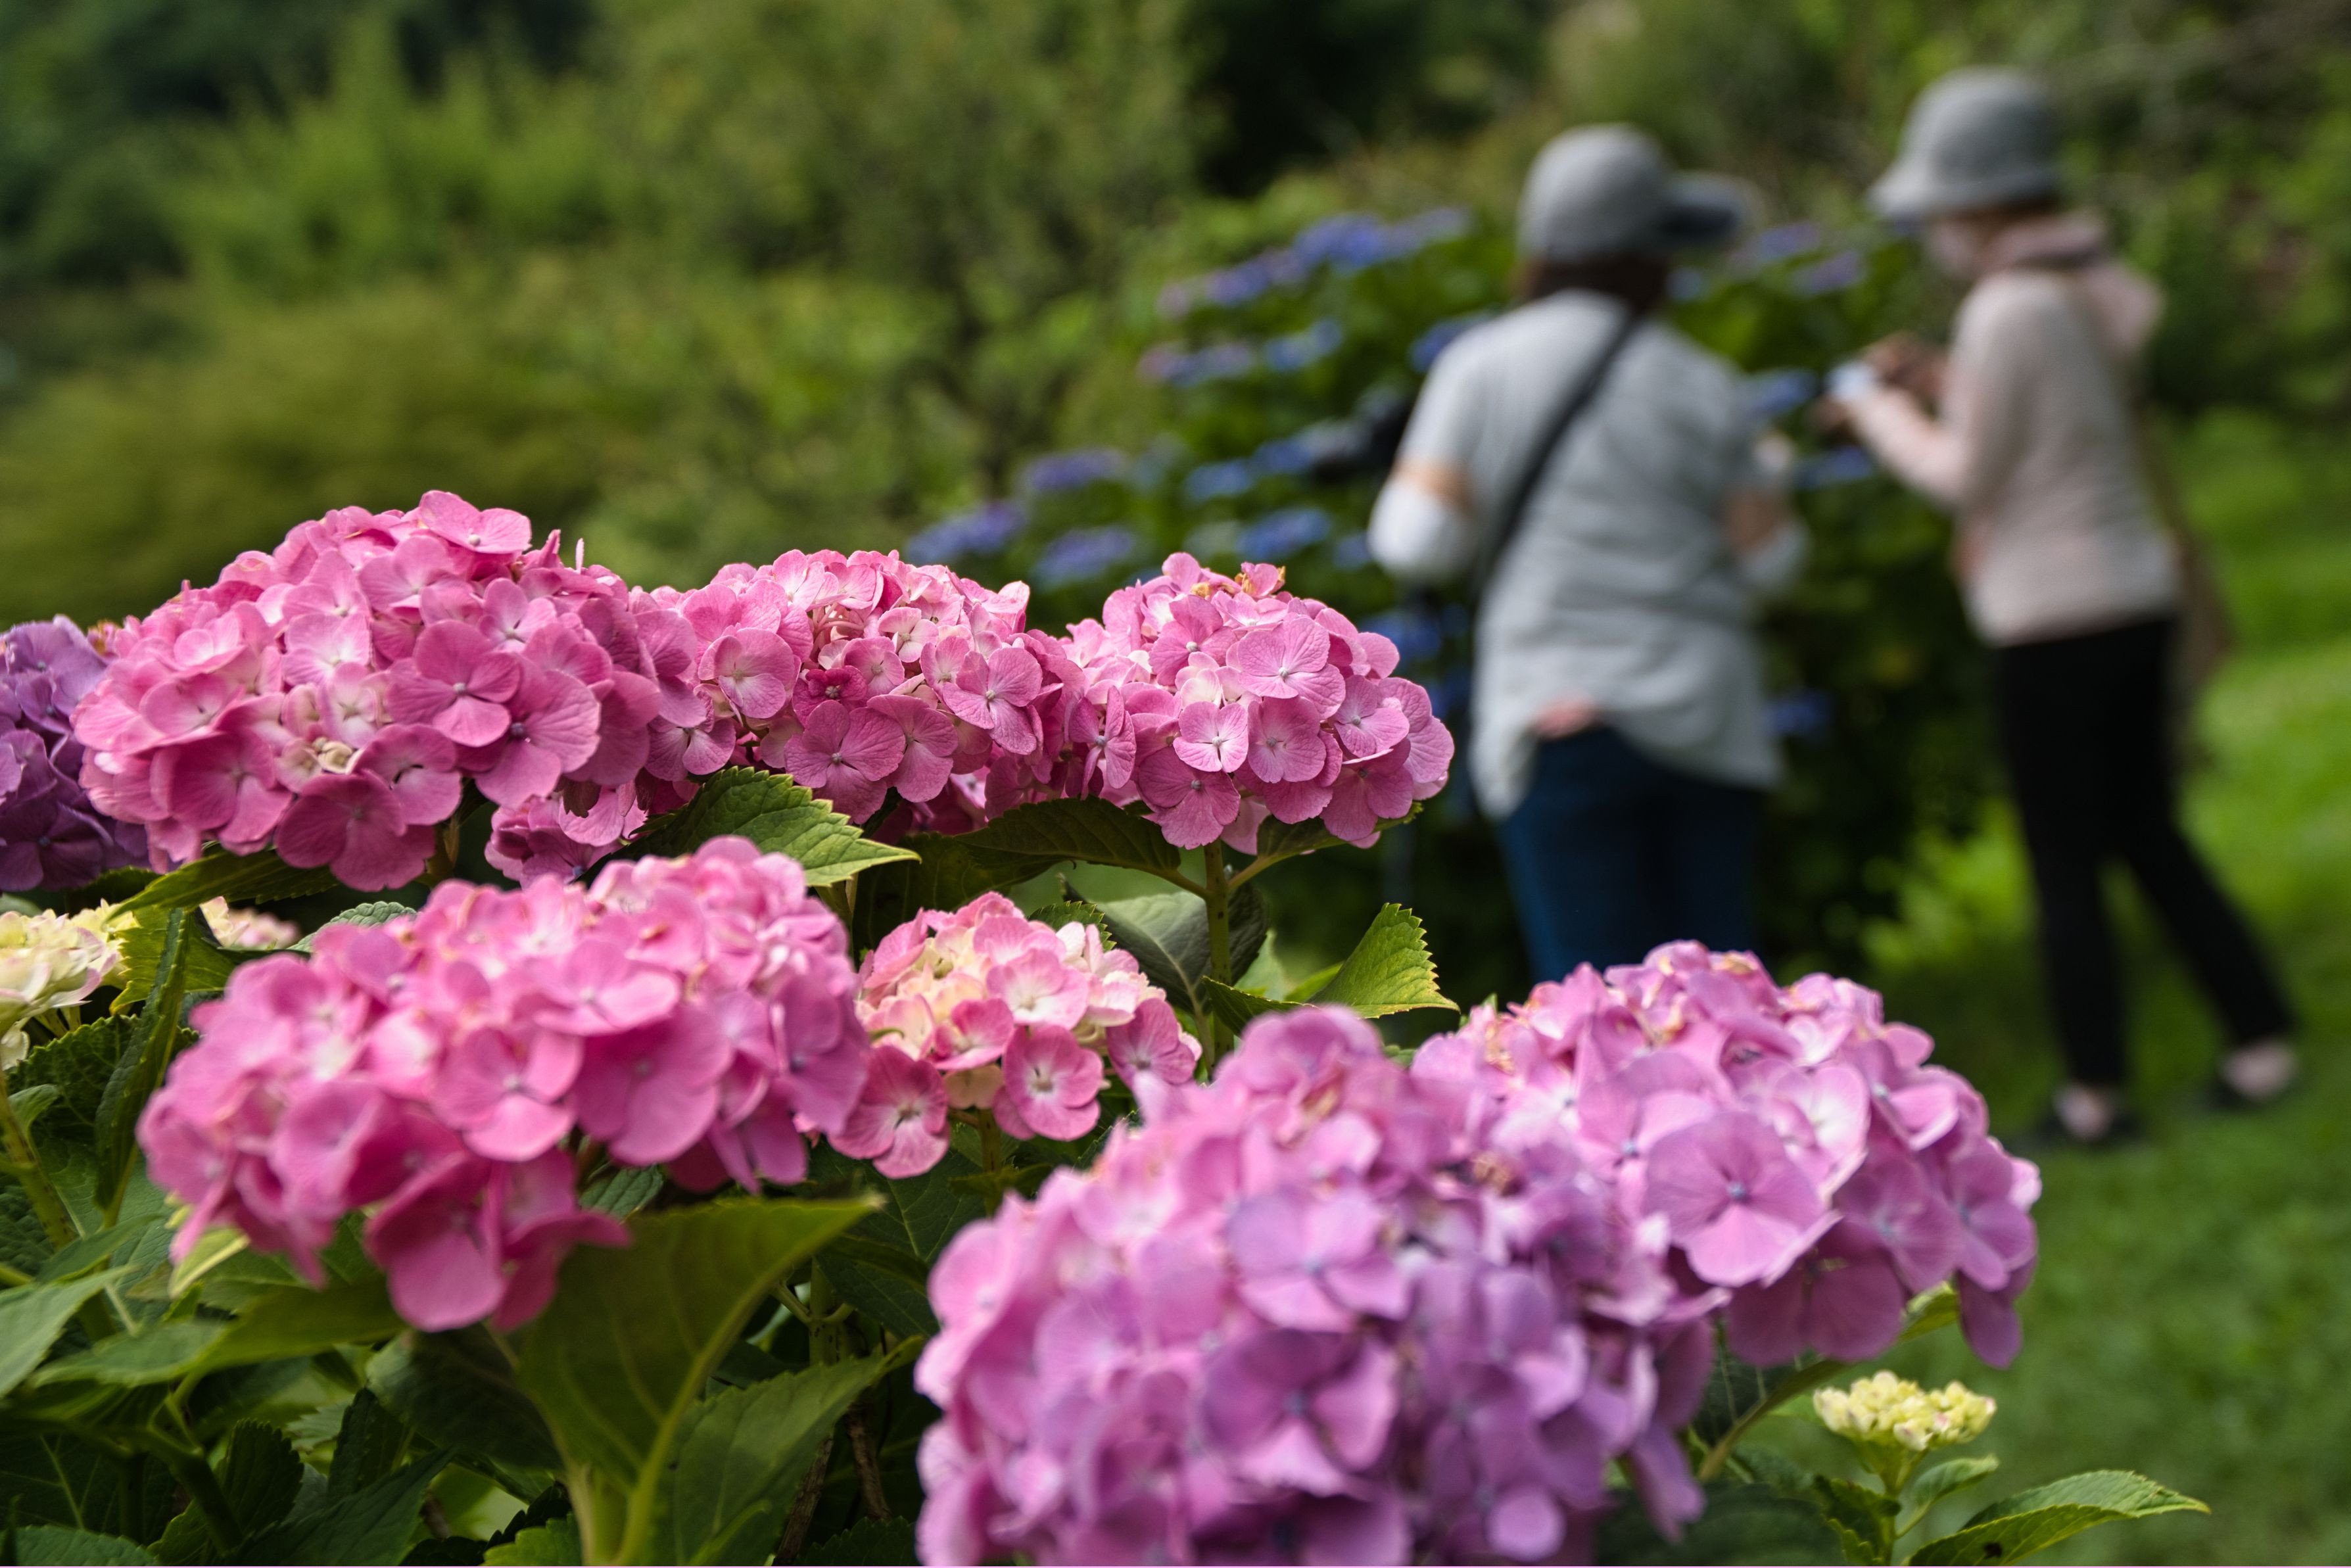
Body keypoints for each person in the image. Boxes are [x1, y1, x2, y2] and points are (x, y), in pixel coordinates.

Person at [1831, 68, 2298, 1145]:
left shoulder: (2007, 306)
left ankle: (2095, 1094)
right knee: (2149, 833)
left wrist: (1872, 412)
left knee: (2065, 863)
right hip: (2132, 597)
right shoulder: (2079, 287)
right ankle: (2261, 1037)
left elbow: (1965, 475)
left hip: (2052, 618)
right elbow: (2048, 420)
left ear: (1978, 204)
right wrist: (1941, 380)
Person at [1369, 126, 1808, 982]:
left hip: (1562, 717)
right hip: (1707, 720)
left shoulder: (1480, 368)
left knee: (1594, 1013)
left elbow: (1418, 543)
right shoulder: (1706, 383)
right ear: (1658, 251)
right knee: (1720, 1003)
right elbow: (1773, 566)